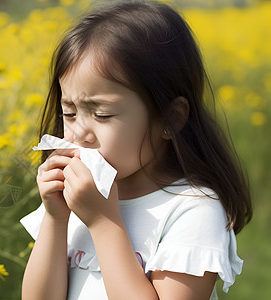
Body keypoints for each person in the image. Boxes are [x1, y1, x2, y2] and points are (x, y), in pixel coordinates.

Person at [20, 1, 252, 299]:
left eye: (102, 114)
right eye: (69, 113)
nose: (79, 134)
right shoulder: (77, 199)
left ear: (170, 119)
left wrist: (104, 223)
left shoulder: (192, 210)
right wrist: (55, 218)